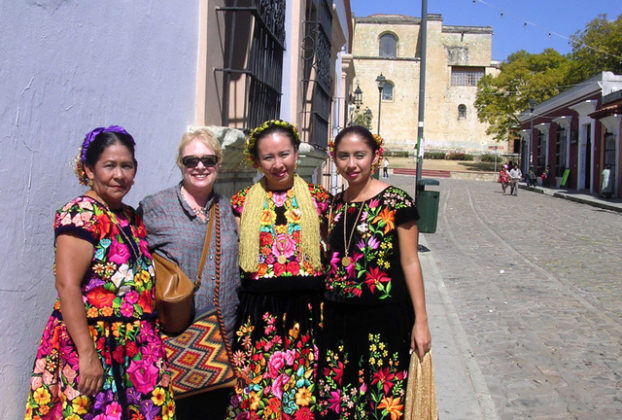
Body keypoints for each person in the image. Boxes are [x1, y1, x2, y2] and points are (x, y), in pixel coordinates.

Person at [24, 126, 175, 419]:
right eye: (109, 165)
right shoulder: (81, 213)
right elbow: (67, 286)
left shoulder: (130, 216)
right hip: (95, 343)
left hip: (135, 346)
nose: (119, 174)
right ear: (89, 170)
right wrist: (87, 355)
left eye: (126, 166)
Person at [317, 125, 431, 419]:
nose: (351, 164)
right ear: (334, 158)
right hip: (337, 319)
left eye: (359, 155)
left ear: (375, 157)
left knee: (381, 401)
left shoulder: (396, 203)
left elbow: (410, 262)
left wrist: (421, 321)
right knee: (338, 401)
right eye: (343, 156)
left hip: (384, 318)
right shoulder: (333, 206)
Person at [225, 120, 330, 419]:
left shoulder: (319, 200)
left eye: (284, 154)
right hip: (260, 313)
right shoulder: (241, 203)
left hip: (308, 314)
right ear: (256, 161)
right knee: (259, 394)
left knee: (304, 393)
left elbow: (334, 251)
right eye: (268, 157)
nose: (278, 164)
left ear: (296, 153)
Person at [139, 127, 240, 419]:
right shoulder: (155, 207)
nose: (200, 167)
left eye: (208, 160)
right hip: (177, 342)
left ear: (219, 164)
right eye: (190, 161)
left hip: (222, 344)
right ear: (180, 164)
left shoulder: (227, 207)